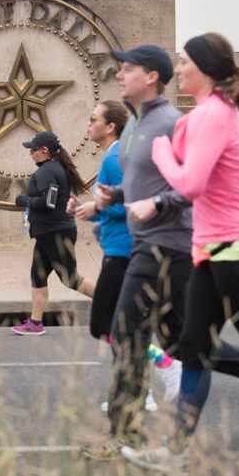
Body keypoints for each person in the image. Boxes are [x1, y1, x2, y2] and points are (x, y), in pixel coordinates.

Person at [120, 34, 239, 472]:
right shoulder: (223, 112)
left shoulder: (210, 115)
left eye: (183, 63)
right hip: (215, 252)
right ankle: (176, 451)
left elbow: (190, 184)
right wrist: (215, 160)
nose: (179, 70)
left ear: (203, 68)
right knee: (194, 351)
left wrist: (164, 153)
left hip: (233, 254)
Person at [82, 45, 239, 462]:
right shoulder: (135, 125)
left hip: (169, 245)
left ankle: (123, 436)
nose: (119, 74)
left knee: (127, 333)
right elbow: (148, 183)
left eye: (128, 69)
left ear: (152, 77)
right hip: (150, 243)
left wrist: (155, 206)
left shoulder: (172, 123)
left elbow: (189, 184)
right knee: (182, 343)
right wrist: (112, 199)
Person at [69, 100, 180, 413]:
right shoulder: (112, 154)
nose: (88, 125)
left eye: (93, 120)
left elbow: (132, 201)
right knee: (119, 326)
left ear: (110, 126)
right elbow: (113, 208)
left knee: (106, 324)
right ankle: (139, 390)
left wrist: (98, 206)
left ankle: (163, 366)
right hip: (118, 248)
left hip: (124, 251)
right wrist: (86, 211)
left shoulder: (116, 156)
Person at [12, 130, 94, 336]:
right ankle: (35, 322)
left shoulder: (47, 171)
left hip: (55, 232)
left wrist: (25, 201)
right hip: (49, 232)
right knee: (37, 276)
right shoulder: (54, 168)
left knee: (71, 279)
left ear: (44, 151)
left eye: (33, 150)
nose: (30, 154)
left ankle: (112, 302)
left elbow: (48, 203)